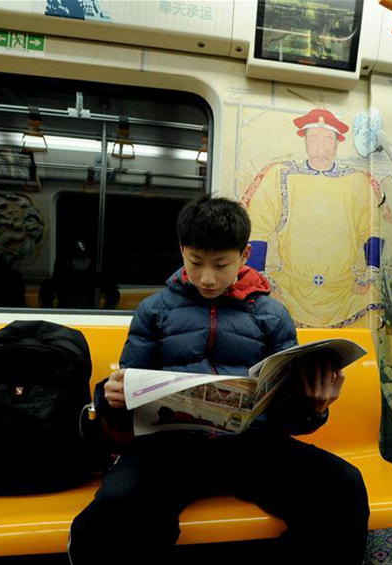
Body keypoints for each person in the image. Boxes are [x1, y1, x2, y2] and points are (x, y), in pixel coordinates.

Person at [68, 196, 369, 564]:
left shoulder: (272, 315)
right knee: (118, 511)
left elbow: (288, 418)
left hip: (252, 448)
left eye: (221, 264)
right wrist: (109, 397)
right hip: (169, 450)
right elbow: (127, 397)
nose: (207, 277)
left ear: (244, 256)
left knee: (342, 487)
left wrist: (313, 408)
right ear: (181, 251)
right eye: (195, 262)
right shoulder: (155, 310)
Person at [240, 108, 383, 328]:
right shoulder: (280, 175)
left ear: (337, 143)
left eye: (327, 139)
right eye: (314, 138)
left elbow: (371, 227)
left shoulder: (356, 181)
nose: (320, 146)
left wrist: (371, 271)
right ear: (305, 141)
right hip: (290, 290)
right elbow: (258, 225)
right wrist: (260, 274)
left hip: (345, 291)